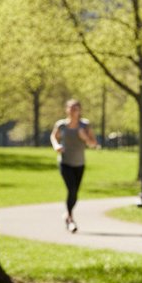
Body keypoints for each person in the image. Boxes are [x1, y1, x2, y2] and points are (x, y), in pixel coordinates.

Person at [49, 99, 99, 232]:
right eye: (70, 108)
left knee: (75, 192)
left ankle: (67, 214)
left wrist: (85, 138)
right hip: (65, 162)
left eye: (75, 109)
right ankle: (70, 219)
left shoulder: (85, 125)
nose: (73, 111)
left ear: (79, 111)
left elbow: (93, 144)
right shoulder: (61, 125)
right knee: (71, 190)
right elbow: (53, 136)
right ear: (66, 110)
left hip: (79, 163)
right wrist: (56, 146)